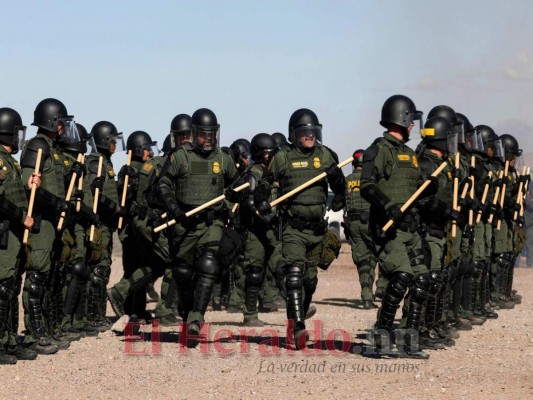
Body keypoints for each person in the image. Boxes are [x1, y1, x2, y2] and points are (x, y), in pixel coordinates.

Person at [255, 108, 345, 349]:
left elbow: (340, 193)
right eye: (305, 132)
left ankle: (298, 316)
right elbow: (264, 183)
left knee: (309, 282)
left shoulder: (326, 156)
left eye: (313, 131)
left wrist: (337, 179)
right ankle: (297, 328)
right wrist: (262, 200)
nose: (310, 136)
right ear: (294, 134)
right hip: (293, 228)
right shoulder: (282, 157)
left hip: (316, 230)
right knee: (293, 275)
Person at [360, 94, 435, 359]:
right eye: (412, 120)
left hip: (411, 230)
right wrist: (388, 204)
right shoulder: (379, 149)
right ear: (402, 118)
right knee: (401, 277)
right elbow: (366, 185)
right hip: (389, 229)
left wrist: (427, 190)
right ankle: (380, 338)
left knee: (422, 280)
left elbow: (414, 190)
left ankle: (408, 341)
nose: (414, 125)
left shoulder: (410, 155)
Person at [158, 108, 238, 336]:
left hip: (212, 223)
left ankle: (196, 317)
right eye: (204, 134)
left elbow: (238, 183)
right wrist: (173, 209)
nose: (209, 138)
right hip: (185, 223)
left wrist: (235, 193)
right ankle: (187, 315)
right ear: (194, 134)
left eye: (212, 134)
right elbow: (163, 185)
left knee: (208, 264)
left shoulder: (223, 159)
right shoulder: (180, 157)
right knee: (183, 274)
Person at [20, 98, 80, 354]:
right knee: (37, 278)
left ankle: (47, 327)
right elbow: (30, 184)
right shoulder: (36, 146)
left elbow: (55, 182)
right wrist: (56, 203)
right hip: (41, 221)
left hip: (54, 220)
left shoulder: (52, 148)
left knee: (52, 277)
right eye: (62, 123)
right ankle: (35, 335)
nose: (64, 128)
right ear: (52, 122)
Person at [0, 107, 40, 363]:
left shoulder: (10, 162)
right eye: (16, 133)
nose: (19, 138)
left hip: (15, 237)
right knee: (3, 289)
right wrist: (20, 217)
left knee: (12, 288)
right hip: (4, 233)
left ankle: (10, 341)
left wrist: (29, 184)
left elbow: (13, 191)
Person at [85, 121, 124, 331]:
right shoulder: (94, 163)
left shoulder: (106, 162)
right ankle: (92, 316)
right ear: (102, 140)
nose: (115, 145)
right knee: (97, 270)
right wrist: (115, 209)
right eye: (112, 141)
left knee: (104, 268)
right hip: (98, 224)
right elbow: (95, 196)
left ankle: (98, 313)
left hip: (107, 226)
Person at [343, 149, 378, 309]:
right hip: (370, 222)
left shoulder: (348, 180)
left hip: (353, 225)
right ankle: (381, 289)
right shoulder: (370, 179)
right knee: (378, 256)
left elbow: (339, 203)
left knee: (362, 260)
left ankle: (366, 296)